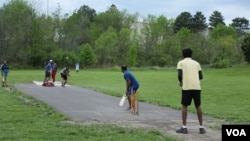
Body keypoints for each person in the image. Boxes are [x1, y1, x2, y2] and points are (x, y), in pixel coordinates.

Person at [176, 48, 206, 134]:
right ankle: (201, 127)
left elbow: (179, 74)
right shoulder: (197, 63)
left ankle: (184, 127)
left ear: (183, 54)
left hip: (186, 87)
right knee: (198, 105)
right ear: (191, 54)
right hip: (197, 87)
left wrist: (181, 82)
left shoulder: (181, 62)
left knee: (184, 106)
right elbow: (200, 76)